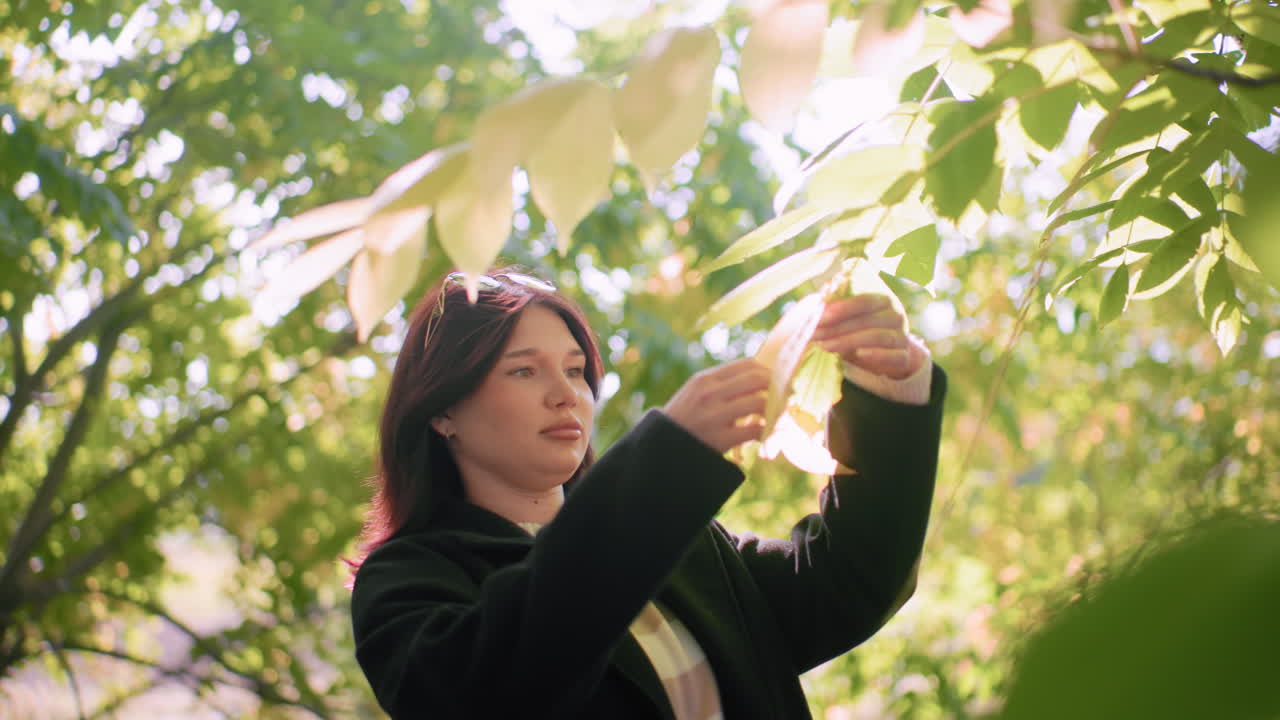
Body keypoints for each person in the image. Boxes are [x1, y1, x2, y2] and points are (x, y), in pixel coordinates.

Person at [348, 267, 946, 719]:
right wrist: (666, 460)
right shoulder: (407, 582)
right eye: (524, 370)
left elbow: (849, 584)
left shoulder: (680, 546)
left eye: (577, 369)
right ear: (442, 409)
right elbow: (503, 686)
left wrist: (889, 385)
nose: (567, 395)